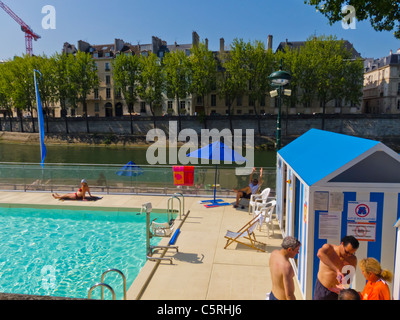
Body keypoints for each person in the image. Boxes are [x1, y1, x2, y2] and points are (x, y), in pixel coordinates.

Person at [313, 235, 359, 300]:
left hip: (338, 292)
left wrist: (343, 287)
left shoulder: (352, 259)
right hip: (323, 288)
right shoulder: (329, 249)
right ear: (342, 244)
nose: (348, 255)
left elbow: (349, 279)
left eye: (351, 253)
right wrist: (337, 270)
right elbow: (320, 254)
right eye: (347, 251)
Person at [268, 236, 301, 300]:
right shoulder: (286, 267)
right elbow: (289, 295)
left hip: (272, 295)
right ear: (289, 250)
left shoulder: (274, 253)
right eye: (297, 250)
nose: (298, 252)